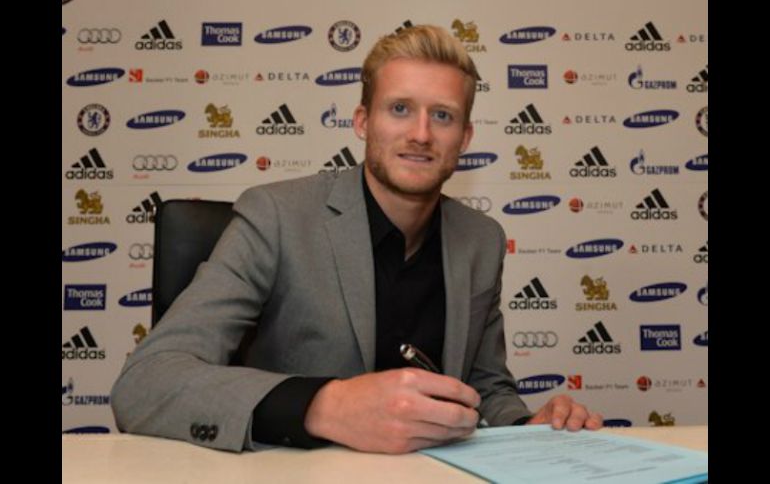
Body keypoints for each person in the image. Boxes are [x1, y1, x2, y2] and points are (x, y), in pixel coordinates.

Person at [111, 24, 602, 454]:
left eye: (443, 116)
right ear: (363, 122)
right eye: (400, 108)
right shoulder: (276, 216)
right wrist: (326, 405)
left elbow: (486, 387)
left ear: (465, 137)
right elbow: (146, 381)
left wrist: (527, 427)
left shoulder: (482, 240)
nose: (421, 134)